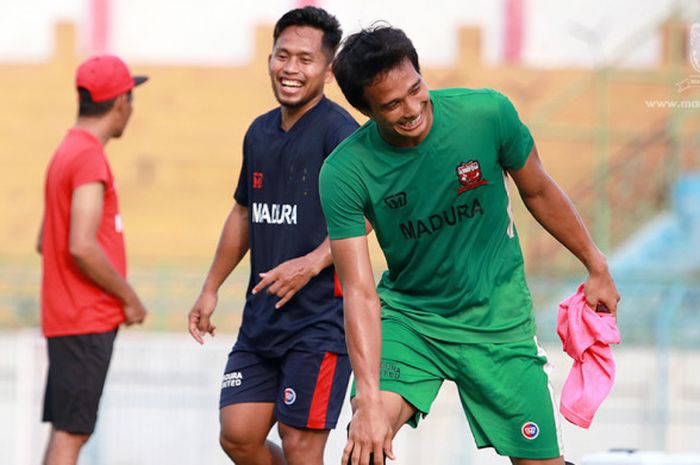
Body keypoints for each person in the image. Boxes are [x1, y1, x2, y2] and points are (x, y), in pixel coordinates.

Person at [319, 25, 621, 465]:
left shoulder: (486, 114)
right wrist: (366, 400)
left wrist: (596, 264)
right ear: (366, 110)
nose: (412, 109)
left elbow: (538, 190)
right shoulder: (345, 172)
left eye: (415, 90)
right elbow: (360, 292)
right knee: (364, 445)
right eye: (392, 104)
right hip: (412, 319)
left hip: (497, 318)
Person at [187, 7, 359, 465]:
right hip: (261, 318)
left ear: (327, 69)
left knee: (301, 443)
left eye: (305, 60)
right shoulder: (259, 132)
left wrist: (312, 263)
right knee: (238, 435)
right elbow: (244, 212)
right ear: (269, 59)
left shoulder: (341, 133)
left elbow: (367, 216)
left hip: (321, 321)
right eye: (282, 56)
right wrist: (210, 289)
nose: (290, 69)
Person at [37, 54, 149, 465]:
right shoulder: (87, 157)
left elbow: (43, 240)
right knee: (72, 433)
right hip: (85, 317)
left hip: (66, 316)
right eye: (131, 99)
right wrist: (129, 298)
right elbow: (81, 245)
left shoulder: (67, 150)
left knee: (67, 429)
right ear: (120, 102)